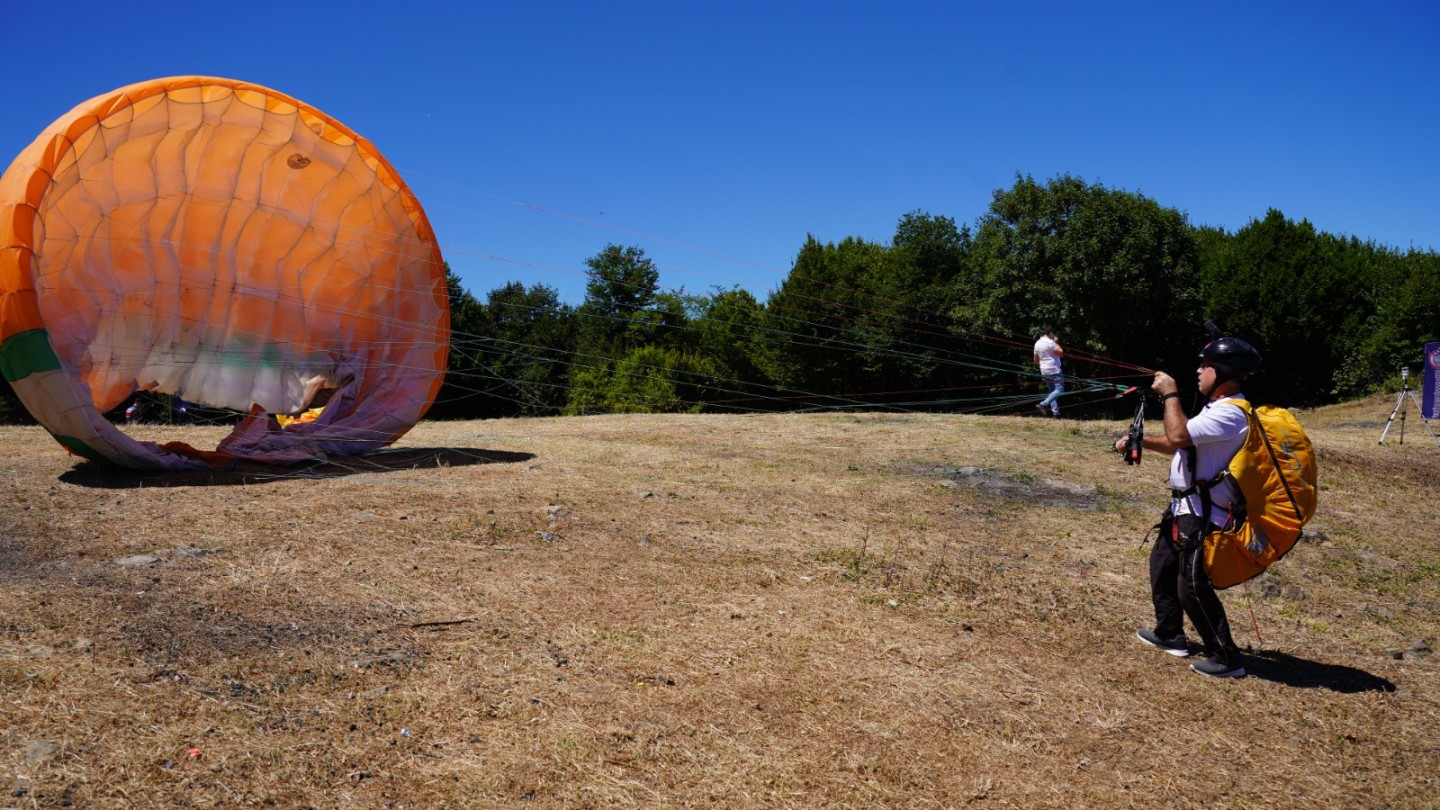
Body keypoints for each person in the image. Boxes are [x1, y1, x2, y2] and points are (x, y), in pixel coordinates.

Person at [1113, 336, 1262, 678]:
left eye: (1204, 366)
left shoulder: (1231, 414)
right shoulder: (1216, 409)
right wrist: (1138, 442)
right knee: (1162, 564)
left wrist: (1170, 394)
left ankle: (1226, 656)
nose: (1198, 371)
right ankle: (1170, 633)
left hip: (1204, 514)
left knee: (1191, 586)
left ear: (1222, 372)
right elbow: (1179, 444)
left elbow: (1178, 436)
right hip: (1185, 507)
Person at [1033, 327, 1064, 417]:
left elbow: (1035, 361)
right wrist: (1056, 342)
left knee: (1052, 392)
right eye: (1053, 334)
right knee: (1060, 390)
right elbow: (1061, 353)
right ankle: (1043, 404)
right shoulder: (1051, 342)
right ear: (1050, 333)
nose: (1054, 336)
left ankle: (1056, 414)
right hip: (1054, 369)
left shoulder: (1037, 343)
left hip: (1044, 370)